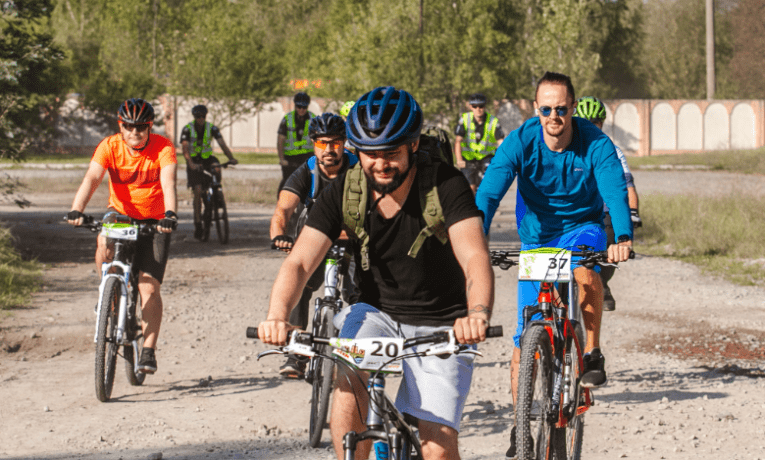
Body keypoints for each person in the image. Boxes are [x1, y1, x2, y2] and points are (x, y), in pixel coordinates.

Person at [259, 86, 494, 460]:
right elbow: (301, 262)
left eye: (391, 153)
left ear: (413, 145)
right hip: (374, 312)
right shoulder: (346, 190)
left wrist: (477, 313)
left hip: (444, 319)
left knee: (436, 445)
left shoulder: (445, 185)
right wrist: (277, 316)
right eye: (369, 154)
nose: (380, 164)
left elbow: (474, 256)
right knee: (347, 387)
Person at [474, 72, 633, 458]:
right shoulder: (521, 141)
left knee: (583, 271)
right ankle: (520, 424)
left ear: (572, 109)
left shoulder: (595, 142)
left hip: (583, 228)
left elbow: (614, 188)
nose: (553, 116)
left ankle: (592, 351)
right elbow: (490, 191)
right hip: (537, 236)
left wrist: (622, 237)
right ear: (535, 108)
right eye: (546, 109)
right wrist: (474, 238)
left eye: (561, 109)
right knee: (522, 337)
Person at [67, 98, 178, 374]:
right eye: (129, 127)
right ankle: (108, 291)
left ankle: (149, 351)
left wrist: (170, 214)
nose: (134, 133)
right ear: (121, 125)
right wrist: (76, 209)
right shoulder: (109, 146)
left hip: (155, 221)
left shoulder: (163, 147)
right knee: (103, 242)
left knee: (148, 288)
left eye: (141, 127)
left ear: (149, 126)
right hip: (121, 214)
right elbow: (92, 177)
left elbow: (169, 181)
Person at [269, 112, 359, 379]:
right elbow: (283, 210)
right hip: (315, 236)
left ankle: (357, 349)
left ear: (344, 143)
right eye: (322, 143)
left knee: (360, 294)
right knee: (300, 285)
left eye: (335, 142)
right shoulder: (305, 172)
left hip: (354, 236)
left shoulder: (358, 168)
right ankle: (295, 353)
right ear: (313, 144)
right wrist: (279, 235)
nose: (329, 149)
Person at [575, 96, 642, 311]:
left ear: (601, 124)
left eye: (594, 123)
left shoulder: (613, 152)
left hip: (603, 211)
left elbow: (628, 187)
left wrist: (632, 212)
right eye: (584, 122)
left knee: (610, 243)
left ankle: (602, 283)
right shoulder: (566, 149)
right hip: (574, 211)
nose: (589, 127)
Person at [180, 104, 238, 240]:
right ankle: (198, 223)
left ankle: (217, 191)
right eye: (198, 117)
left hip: (207, 159)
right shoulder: (187, 129)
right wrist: (191, 164)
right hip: (194, 161)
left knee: (217, 166)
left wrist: (231, 158)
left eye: (203, 116)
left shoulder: (211, 128)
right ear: (194, 117)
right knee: (198, 191)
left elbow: (222, 144)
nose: (200, 119)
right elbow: (185, 148)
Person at [454, 93, 505, 193]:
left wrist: (502, 160)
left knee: (487, 184)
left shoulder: (493, 121)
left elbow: (501, 142)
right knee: (470, 188)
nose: (478, 109)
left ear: (485, 106)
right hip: (468, 158)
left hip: (486, 156)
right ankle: (472, 207)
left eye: (481, 106)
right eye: (474, 106)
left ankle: (485, 206)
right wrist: (459, 160)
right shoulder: (465, 119)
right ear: (470, 107)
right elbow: (458, 141)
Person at [277, 92, 315, 192]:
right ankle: (283, 205)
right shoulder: (287, 119)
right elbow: (280, 140)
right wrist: (281, 159)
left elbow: (317, 140)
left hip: (307, 156)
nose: (301, 109)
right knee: (287, 184)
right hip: (290, 158)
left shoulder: (313, 119)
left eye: (304, 107)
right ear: (295, 105)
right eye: (299, 106)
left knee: (310, 183)